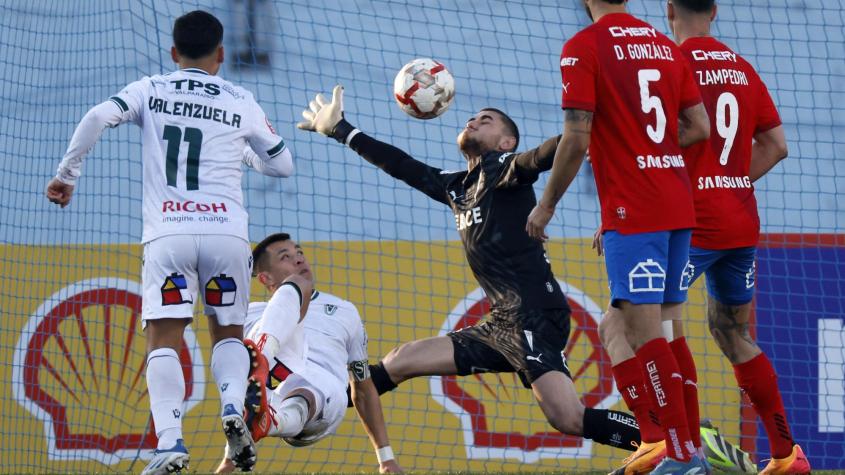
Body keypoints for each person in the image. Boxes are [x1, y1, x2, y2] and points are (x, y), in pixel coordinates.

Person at [295, 85, 642, 453]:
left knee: (568, 418)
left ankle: (671, 437)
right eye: (472, 118)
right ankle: (310, 404)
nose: (474, 120)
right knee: (401, 360)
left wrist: (583, 126)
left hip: (534, 314)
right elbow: (402, 166)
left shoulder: (507, 169)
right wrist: (341, 130)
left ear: (507, 142)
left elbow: (545, 154)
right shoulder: (458, 186)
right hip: (500, 322)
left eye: (486, 120)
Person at [45, 11, 293, 475]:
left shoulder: (151, 88)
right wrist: (242, 153)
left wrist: (66, 175)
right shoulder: (240, 99)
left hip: (169, 236)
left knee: (164, 338)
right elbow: (282, 165)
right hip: (226, 237)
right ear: (221, 55)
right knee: (227, 334)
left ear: (174, 53)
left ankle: (170, 444)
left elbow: (97, 116)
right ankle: (232, 409)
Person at [596, 1, 809, 474]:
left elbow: (659, 140)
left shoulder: (666, 61)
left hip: (686, 222)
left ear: (668, 8)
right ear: (714, 10)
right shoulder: (742, 68)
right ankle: (786, 455)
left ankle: (670, 449)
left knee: (626, 327)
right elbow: (777, 146)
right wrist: (731, 182)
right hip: (740, 223)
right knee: (732, 332)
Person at [524, 0, 713, 473]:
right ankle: (673, 449)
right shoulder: (666, 48)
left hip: (637, 208)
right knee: (655, 327)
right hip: (674, 202)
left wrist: (545, 206)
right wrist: (652, 150)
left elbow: (576, 137)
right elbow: (699, 128)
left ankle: (679, 455)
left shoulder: (583, 47)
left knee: (642, 332)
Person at [214, 233, 403, 474]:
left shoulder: (346, 312)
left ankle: (268, 414)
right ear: (265, 277)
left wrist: (385, 459)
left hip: (326, 396)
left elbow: (363, 388)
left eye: (299, 253)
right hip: (274, 386)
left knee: (304, 385)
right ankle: (265, 415)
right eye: (286, 257)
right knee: (253, 346)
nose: (299, 260)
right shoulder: (251, 314)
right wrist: (227, 465)